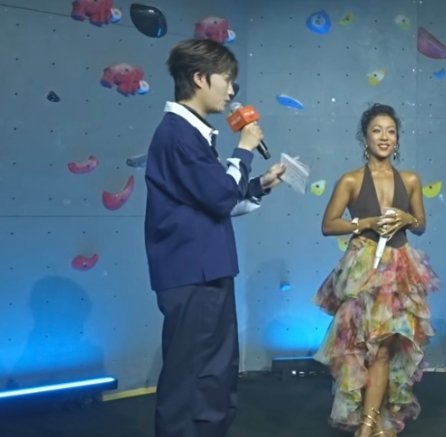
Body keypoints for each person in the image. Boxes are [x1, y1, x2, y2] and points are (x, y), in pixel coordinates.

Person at [144, 38, 286, 436]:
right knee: (191, 375)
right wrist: (244, 150)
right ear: (199, 78)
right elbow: (220, 196)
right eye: (227, 79)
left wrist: (258, 185)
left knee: (215, 371)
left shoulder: (192, 133)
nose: (231, 91)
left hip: (208, 270)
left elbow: (210, 201)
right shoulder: (177, 134)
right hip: (191, 274)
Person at [314, 103, 438, 437]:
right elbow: (329, 224)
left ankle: (369, 425)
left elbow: (421, 224)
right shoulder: (351, 180)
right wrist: (365, 223)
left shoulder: (410, 180)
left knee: (385, 348)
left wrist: (407, 218)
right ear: (365, 137)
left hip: (400, 269)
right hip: (363, 271)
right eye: (377, 130)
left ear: (397, 139)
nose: (384, 137)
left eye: (391, 131)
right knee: (363, 350)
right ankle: (373, 420)